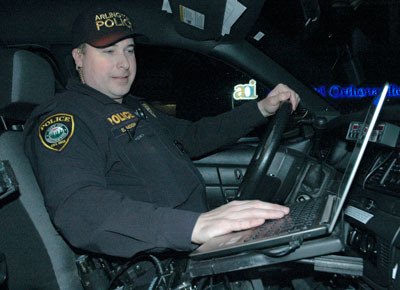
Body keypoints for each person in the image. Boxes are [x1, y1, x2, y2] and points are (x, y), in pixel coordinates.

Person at [24, 5, 300, 288]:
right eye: (109, 52)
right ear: (79, 58)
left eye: (129, 50)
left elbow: (192, 136)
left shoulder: (136, 106)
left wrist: (260, 110)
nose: (124, 63)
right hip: (159, 269)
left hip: (190, 251)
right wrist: (193, 227)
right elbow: (78, 207)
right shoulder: (65, 119)